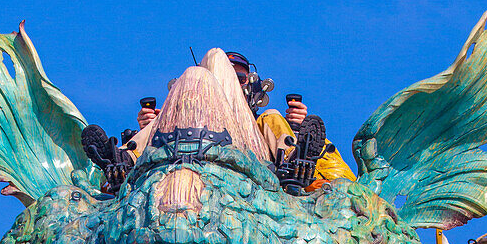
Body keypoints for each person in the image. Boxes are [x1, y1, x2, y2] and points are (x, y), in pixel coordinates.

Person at [136, 50, 354, 186]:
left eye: (238, 78)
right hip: (185, 152)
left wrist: (296, 129)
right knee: (156, 124)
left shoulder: (264, 122)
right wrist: (149, 128)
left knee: (272, 116)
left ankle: (295, 159)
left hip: (260, 162)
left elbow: (345, 181)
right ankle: (124, 160)